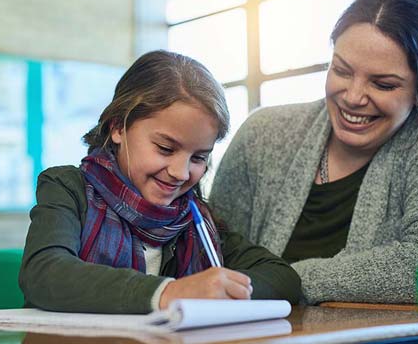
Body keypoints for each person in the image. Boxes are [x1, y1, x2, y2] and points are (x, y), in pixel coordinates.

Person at [209, 0, 418, 304]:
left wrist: (284, 281)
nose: (353, 97)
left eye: (383, 84)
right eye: (341, 70)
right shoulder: (262, 135)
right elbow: (213, 254)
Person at [19, 50, 302, 314]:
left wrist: (222, 291)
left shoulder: (192, 218)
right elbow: (44, 273)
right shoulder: (68, 188)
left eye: (198, 157)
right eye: (165, 149)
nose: (180, 173)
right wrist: (170, 293)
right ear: (118, 127)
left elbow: (282, 277)